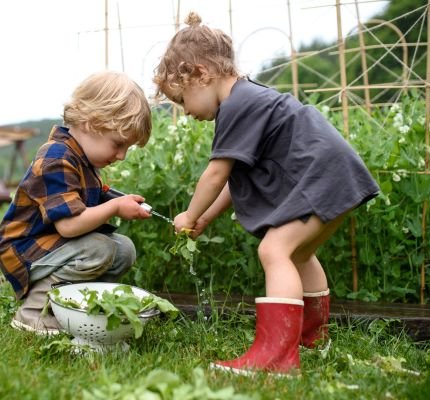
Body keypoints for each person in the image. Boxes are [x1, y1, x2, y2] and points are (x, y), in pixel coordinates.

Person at [153, 12, 379, 374]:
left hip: (320, 176)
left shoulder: (236, 106)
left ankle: (276, 357)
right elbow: (235, 177)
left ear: (199, 73)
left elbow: (216, 174)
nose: (185, 112)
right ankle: (312, 341)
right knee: (300, 254)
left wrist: (190, 215)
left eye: (181, 100)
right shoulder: (249, 97)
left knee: (274, 250)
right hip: (335, 174)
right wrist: (208, 218)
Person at [0, 71, 152, 335]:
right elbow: (69, 226)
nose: (122, 156)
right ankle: (33, 313)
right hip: (26, 250)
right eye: (118, 144)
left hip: (54, 249)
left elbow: (88, 202)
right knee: (98, 249)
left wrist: (114, 198)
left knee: (124, 249)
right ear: (92, 122)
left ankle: (78, 307)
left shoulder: (84, 159)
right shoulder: (57, 157)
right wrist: (114, 207)